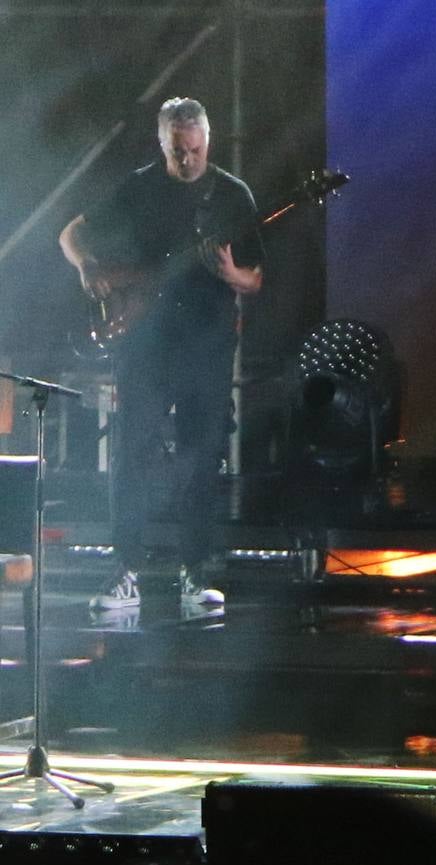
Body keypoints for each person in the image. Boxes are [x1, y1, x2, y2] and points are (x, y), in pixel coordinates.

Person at [59, 96, 263, 613]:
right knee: (132, 455)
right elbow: (71, 233)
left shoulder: (232, 196)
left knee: (200, 458)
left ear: (207, 141)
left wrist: (231, 274)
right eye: (178, 150)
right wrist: (87, 267)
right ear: (163, 142)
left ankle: (194, 572)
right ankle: (124, 569)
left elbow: (256, 277)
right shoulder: (140, 185)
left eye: (194, 149)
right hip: (146, 343)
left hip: (206, 346)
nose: (187, 159)